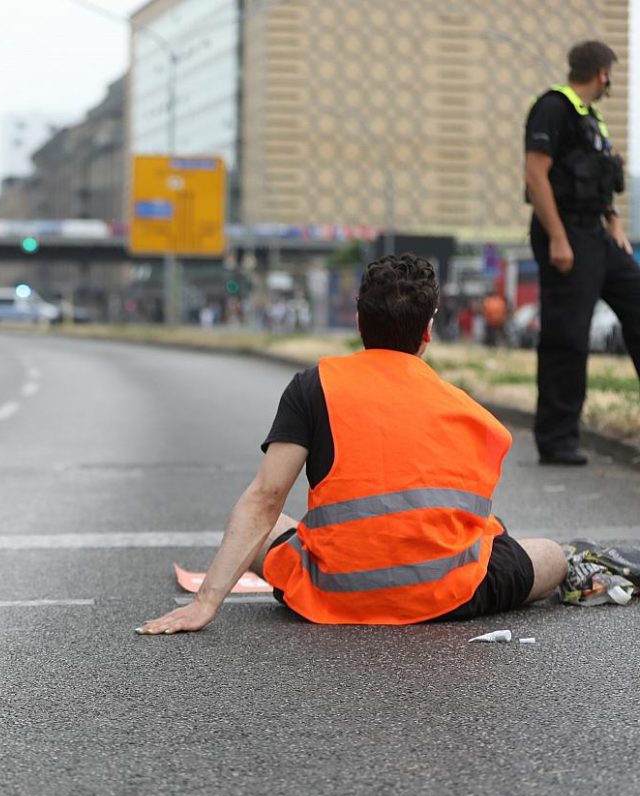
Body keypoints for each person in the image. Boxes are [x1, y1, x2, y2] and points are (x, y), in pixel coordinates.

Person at [137, 254, 568, 635]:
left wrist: (205, 603)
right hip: (445, 595)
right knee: (549, 554)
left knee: (267, 527)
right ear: (429, 330)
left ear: (359, 322)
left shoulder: (313, 386)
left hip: (334, 593)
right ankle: (573, 562)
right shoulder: (468, 411)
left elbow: (264, 500)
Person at [524, 40, 640, 466]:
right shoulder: (553, 108)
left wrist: (615, 225)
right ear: (602, 74)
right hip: (566, 232)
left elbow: (599, 180)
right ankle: (556, 440)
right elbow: (536, 176)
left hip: (598, 236)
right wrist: (557, 237)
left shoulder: (592, 119)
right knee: (568, 335)